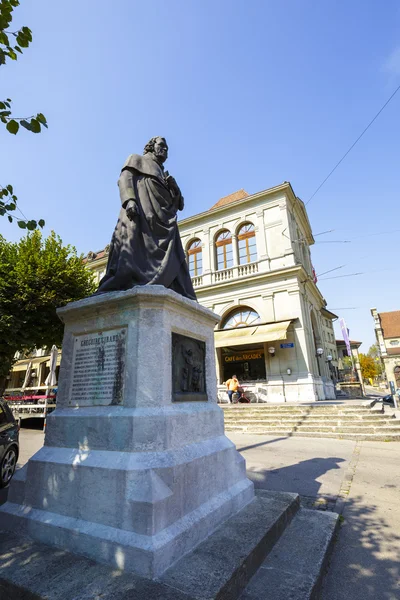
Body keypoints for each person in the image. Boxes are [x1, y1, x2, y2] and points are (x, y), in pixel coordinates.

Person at [96, 137, 196, 300]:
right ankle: (130, 280)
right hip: (141, 214)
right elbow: (125, 179)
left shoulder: (165, 175)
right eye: (161, 146)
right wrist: (129, 201)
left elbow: (179, 205)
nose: (165, 150)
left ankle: (176, 287)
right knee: (132, 248)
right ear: (151, 147)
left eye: (167, 148)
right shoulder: (136, 159)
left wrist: (175, 188)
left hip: (164, 223)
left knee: (176, 254)